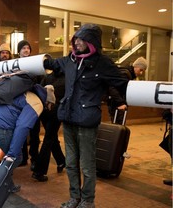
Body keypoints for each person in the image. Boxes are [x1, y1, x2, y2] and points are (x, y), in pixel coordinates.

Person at [43, 24, 128, 208]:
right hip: (68, 118)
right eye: (76, 40)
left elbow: (121, 81)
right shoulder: (70, 60)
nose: (78, 43)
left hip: (87, 121)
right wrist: (25, 64)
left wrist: (118, 98)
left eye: (82, 39)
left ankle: (88, 201)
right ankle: (75, 197)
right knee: (71, 163)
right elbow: (49, 64)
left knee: (87, 165)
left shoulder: (102, 63)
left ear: (92, 42)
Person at [0, 84, 56, 192]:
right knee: (16, 157)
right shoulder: (37, 103)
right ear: (48, 101)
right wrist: (13, 154)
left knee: (10, 157)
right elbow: (23, 127)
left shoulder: (25, 92)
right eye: (51, 106)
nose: (49, 109)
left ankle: (8, 185)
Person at [31, 70, 66, 182]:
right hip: (56, 111)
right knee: (49, 138)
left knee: (51, 137)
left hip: (45, 110)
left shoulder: (48, 77)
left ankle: (61, 161)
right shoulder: (68, 78)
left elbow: (39, 90)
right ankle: (39, 171)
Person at [16, 40, 41, 167]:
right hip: (20, 103)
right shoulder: (14, 65)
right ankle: (23, 157)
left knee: (35, 133)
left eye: (28, 48)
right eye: (23, 48)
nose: (26, 50)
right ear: (19, 51)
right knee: (22, 131)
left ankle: (35, 158)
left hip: (34, 103)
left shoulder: (35, 65)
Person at [106, 56, 148, 124]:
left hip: (116, 103)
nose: (141, 73)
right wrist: (120, 103)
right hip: (117, 104)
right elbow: (112, 88)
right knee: (118, 126)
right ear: (136, 66)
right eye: (141, 70)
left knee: (118, 125)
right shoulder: (125, 74)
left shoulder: (127, 73)